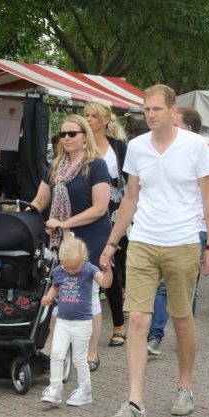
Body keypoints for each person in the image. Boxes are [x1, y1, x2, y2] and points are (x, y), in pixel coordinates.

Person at [99, 84, 209, 417]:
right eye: (146, 109)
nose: (150, 115)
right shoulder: (137, 147)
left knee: (182, 318)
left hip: (182, 241)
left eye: (156, 109)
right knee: (137, 318)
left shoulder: (195, 146)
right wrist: (112, 242)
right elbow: (131, 198)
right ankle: (135, 402)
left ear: (172, 110)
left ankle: (185, 386)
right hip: (143, 241)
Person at [147, 106, 209, 355]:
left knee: (187, 285)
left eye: (175, 124)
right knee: (163, 284)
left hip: (196, 229)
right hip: (168, 225)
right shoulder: (160, 151)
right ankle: (156, 337)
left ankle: (184, 335)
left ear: (189, 129)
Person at [31, 114, 112, 372]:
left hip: (90, 238)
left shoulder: (96, 166)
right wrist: (22, 214)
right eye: (63, 134)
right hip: (63, 240)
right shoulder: (55, 167)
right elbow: (40, 201)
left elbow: (100, 208)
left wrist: (65, 223)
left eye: (72, 133)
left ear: (84, 136)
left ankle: (90, 352)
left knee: (87, 294)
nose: (66, 138)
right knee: (60, 289)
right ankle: (51, 347)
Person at [40, 234, 110, 406]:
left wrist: (107, 271)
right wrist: (48, 297)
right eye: (68, 268)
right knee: (56, 354)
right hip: (63, 322)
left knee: (79, 358)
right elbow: (55, 288)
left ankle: (85, 390)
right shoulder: (59, 271)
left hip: (82, 323)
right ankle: (55, 388)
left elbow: (105, 284)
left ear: (83, 260)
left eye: (75, 268)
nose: (71, 272)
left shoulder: (89, 269)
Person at [84, 101, 127, 351]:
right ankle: (84, 322)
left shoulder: (118, 147)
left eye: (93, 116)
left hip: (115, 212)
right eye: (86, 115)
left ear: (104, 120)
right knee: (88, 264)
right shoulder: (82, 146)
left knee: (111, 266)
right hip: (89, 208)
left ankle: (118, 325)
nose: (88, 119)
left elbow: (130, 180)